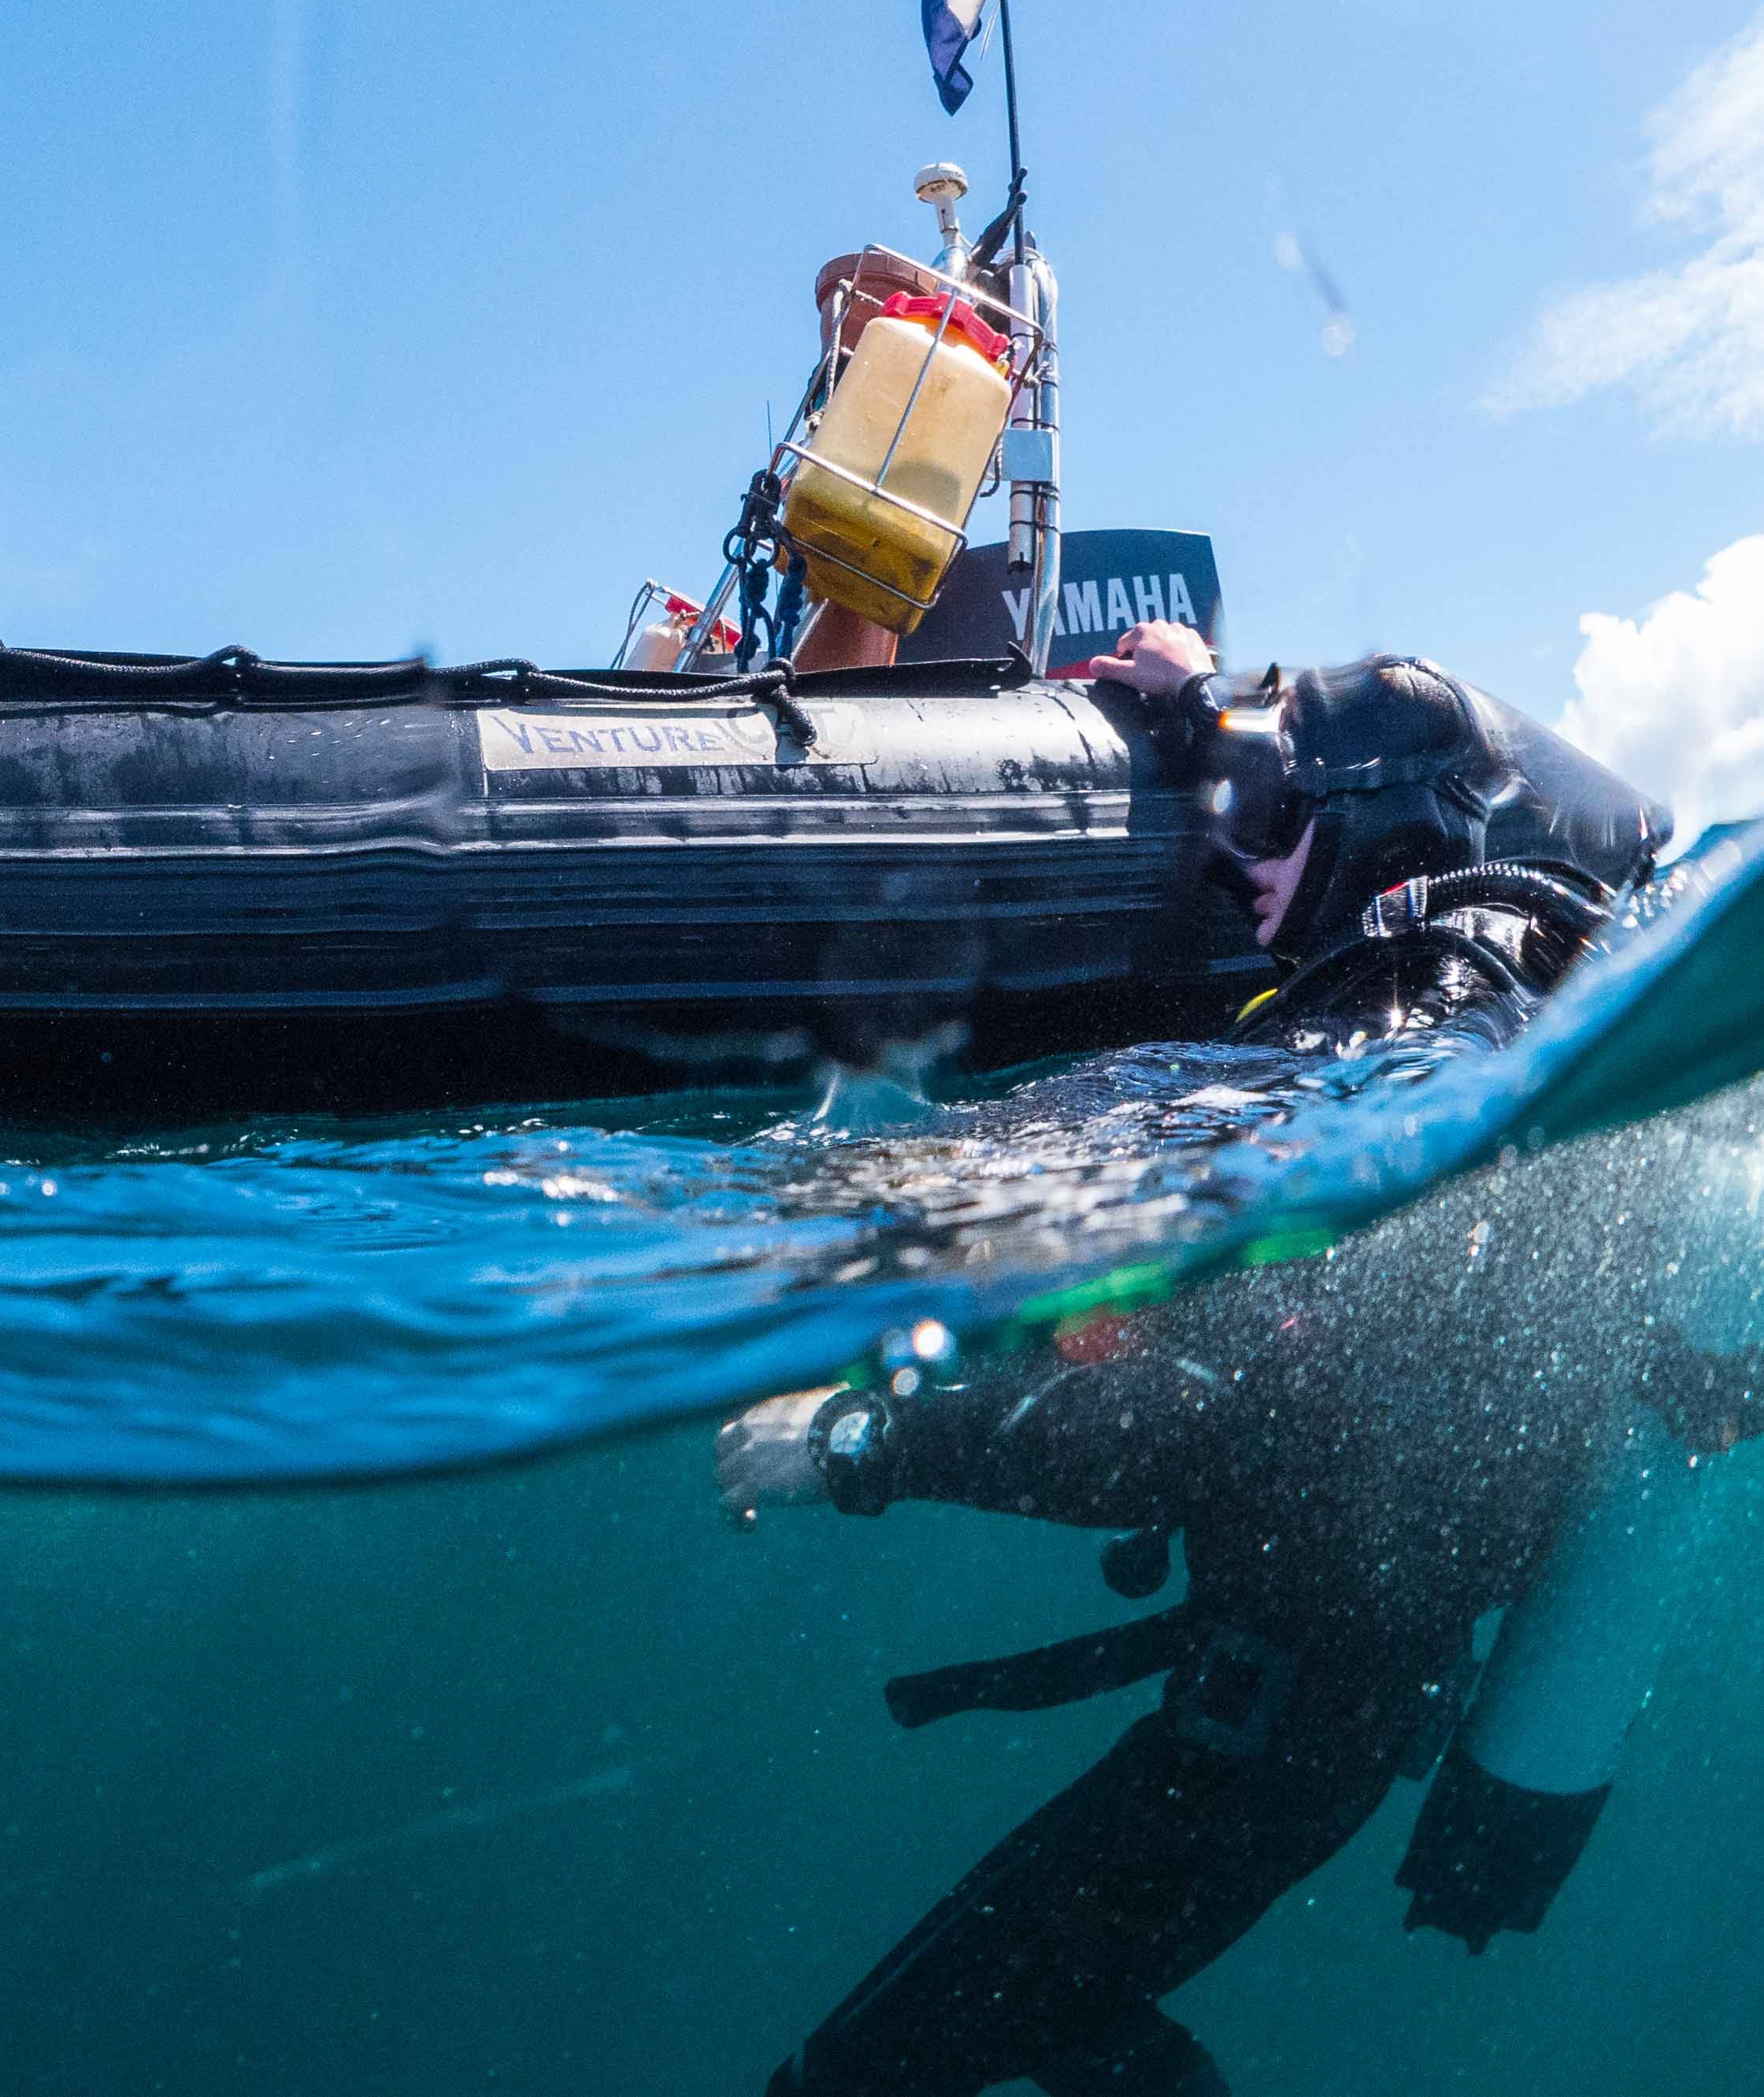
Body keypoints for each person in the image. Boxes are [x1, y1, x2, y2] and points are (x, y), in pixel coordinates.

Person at [719, 621, 1678, 2097]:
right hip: (1309, 1728)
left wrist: (865, 1442)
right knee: (1016, 2019)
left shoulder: (1404, 1033)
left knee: (850, 2076)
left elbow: (1166, 1429)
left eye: (1266, 818)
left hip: (1257, 1748)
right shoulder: (1544, 988)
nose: (1232, 860)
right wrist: (1196, 698)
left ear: (1374, 823)